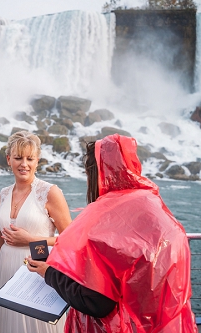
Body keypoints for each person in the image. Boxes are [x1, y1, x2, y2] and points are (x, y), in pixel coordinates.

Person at [26, 133, 198, 332]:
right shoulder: (155, 206)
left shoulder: (101, 218)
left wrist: (49, 273)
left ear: (97, 173)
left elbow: (95, 302)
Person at [0, 131, 72, 333]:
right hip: (6, 275)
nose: (24, 164)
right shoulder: (3, 194)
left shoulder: (49, 192)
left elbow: (71, 240)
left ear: (37, 161)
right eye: (18, 158)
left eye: (29, 158)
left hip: (37, 274)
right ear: (8, 159)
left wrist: (32, 240)